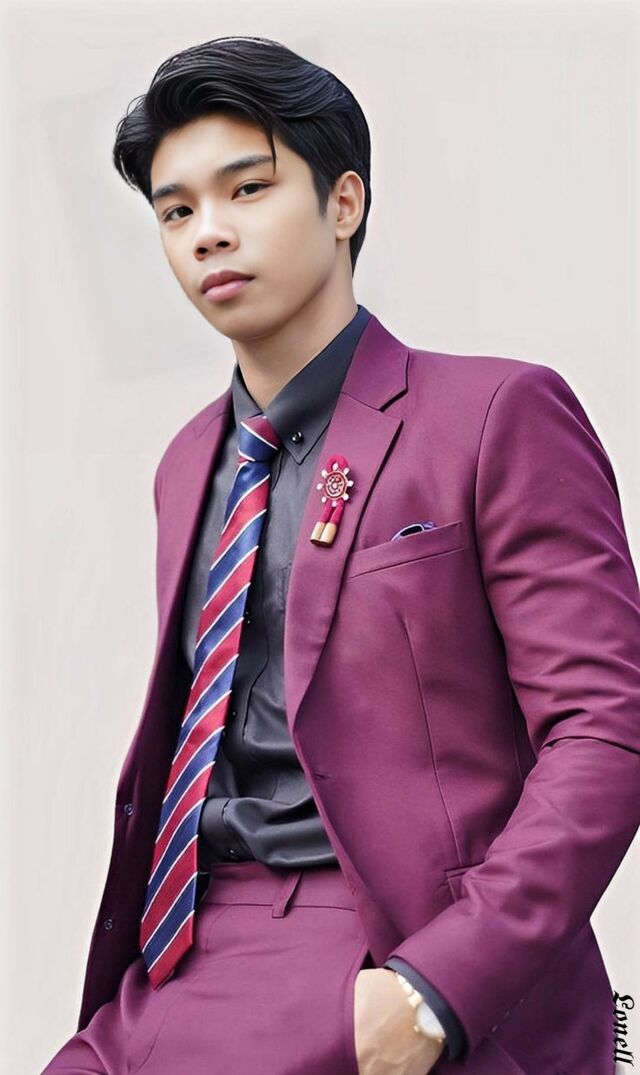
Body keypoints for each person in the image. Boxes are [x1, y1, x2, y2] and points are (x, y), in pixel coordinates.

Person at [41, 34, 640, 1075]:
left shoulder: (492, 412)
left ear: (344, 202)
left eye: (248, 188)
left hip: (382, 945)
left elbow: (606, 727)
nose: (208, 231)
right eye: (176, 211)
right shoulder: (187, 463)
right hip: (180, 952)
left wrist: (435, 989)